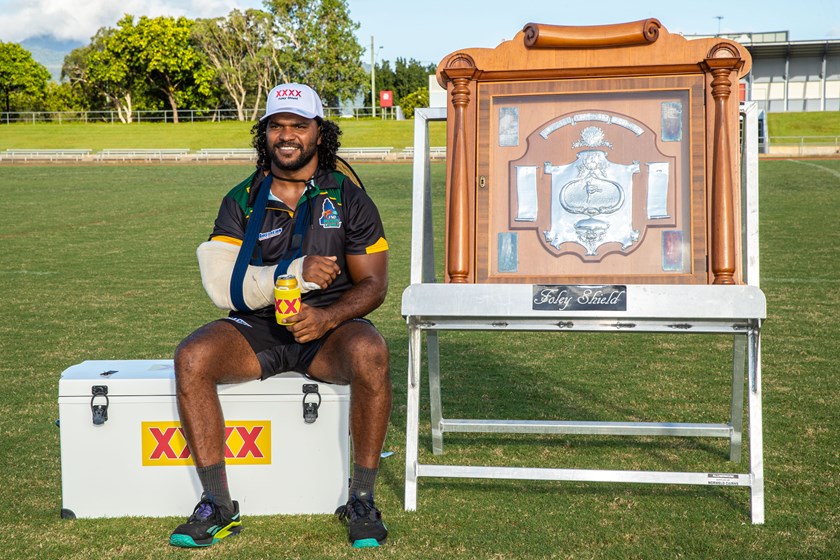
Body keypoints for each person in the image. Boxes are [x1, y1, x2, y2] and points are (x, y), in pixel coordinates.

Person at [168, 83, 392, 549]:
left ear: (319, 133)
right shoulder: (242, 198)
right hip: (260, 326)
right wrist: (291, 272)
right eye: (277, 125)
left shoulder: (347, 198)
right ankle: (216, 505)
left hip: (331, 328)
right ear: (264, 132)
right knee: (192, 356)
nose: (286, 135)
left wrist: (328, 320)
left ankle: (362, 500)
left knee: (371, 351)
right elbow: (223, 285)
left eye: (298, 125)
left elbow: (375, 285)